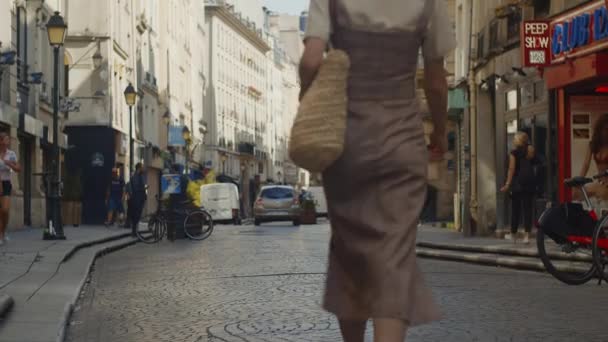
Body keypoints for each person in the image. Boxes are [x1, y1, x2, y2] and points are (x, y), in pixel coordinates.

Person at [300, 0, 454, 340]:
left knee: (349, 250)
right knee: (395, 258)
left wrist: (306, 99)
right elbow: (436, 81)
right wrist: (440, 130)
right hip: (402, 143)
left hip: (347, 144)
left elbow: (311, 60)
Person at [500, 132, 537, 244]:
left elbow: (511, 169)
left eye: (515, 139)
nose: (513, 141)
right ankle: (527, 237)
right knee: (527, 210)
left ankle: (513, 234)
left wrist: (507, 184)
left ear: (519, 141)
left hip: (518, 184)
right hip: (529, 183)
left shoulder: (514, 153)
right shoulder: (530, 151)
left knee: (515, 209)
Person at [0, 132, 21, 245]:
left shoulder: (11, 154)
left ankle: (3, 231)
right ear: (0, 141)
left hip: (6, 183)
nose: (7, 142)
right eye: (5, 140)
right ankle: (0, 235)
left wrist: (10, 164)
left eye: (8, 140)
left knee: (5, 210)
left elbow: (18, 169)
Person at [126, 163, 147, 236]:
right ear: (139, 168)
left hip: (139, 198)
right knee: (136, 216)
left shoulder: (140, 176)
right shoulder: (135, 177)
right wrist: (143, 189)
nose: (143, 169)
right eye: (142, 167)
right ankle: (134, 232)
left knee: (137, 216)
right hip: (136, 199)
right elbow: (136, 188)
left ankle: (135, 232)